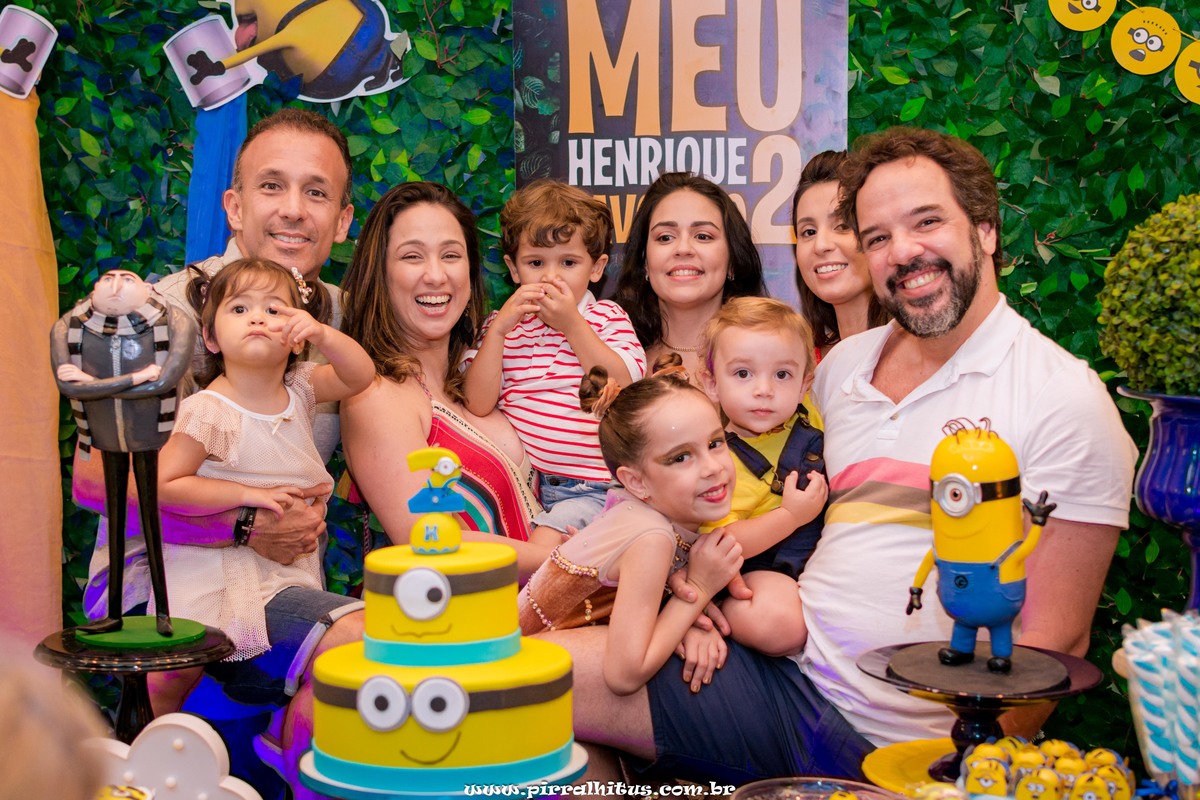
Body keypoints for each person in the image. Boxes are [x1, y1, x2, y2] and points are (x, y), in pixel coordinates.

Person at [545, 127, 1136, 784]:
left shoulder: (1062, 399)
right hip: (774, 680)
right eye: (877, 235)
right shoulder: (842, 369)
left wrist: (948, 780)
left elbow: (1053, 648)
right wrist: (691, 604)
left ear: (987, 230)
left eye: (927, 222)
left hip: (906, 747)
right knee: (516, 697)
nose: (902, 251)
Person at [77, 107, 356, 622]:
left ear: (342, 221)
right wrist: (240, 524)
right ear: (234, 207)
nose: (293, 210)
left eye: (316, 192)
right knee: (354, 654)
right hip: (161, 582)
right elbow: (93, 481)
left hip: (286, 579)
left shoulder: (341, 319)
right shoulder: (158, 315)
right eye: (271, 186)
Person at [153, 259, 372, 713]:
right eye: (238, 309)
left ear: (295, 337)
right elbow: (166, 482)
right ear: (211, 337)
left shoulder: (303, 389)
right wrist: (247, 496)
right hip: (219, 581)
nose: (257, 317)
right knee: (172, 686)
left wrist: (323, 334)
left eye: (275, 310)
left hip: (287, 574)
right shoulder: (210, 409)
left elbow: (359, 375)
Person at [339, 182, 556, 577]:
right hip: (467, 625)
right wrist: (582, 563)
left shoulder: (487, 374)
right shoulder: (376, 394)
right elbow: (430, 541)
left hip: (559, 607)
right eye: (412, 256)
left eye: (451, 255)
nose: (436, 275)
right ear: (379, 273)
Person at [519, 355, 744, 698]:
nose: (713, 467)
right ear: (635, 482)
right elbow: (623, 676)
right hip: (519, 679)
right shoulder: (651, 536)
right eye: (681, 457)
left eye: (715, 443)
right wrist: (699, 588)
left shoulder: (645, 514)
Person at [462, 180, 646, 537]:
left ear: (596, 268)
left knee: (542, 551)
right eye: (535, 262)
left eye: (568, 262)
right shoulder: (503, 328)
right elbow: (478, 405)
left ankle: (479, 557)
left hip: (597, 487)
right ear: (514, 270)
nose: (550, 276)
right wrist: (498, 332)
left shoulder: (606, 318)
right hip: (526, 489)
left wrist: (572, 324)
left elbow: (624, 383)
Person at [696, 297, 828, 658]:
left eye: (782, 375)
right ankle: (717, 613)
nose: (764, 390)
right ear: (711, 383)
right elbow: (722, 543)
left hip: (821, 561)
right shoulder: (717, 464)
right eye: (743, 374)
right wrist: (790, 517)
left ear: (804, 385)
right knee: (779, 622)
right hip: (759, 569)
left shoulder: (810, 418)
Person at [611, 172, 765, 381]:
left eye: (703, 236)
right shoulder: (611, 361)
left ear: (732, 261)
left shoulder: (770, 357)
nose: (683, 249)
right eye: (665, 237)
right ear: (645, 261)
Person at [792, 150, 888, 359]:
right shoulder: (798, 368)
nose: (821, 245)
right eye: (809, 232)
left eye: (843, 226)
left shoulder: (924, 356)